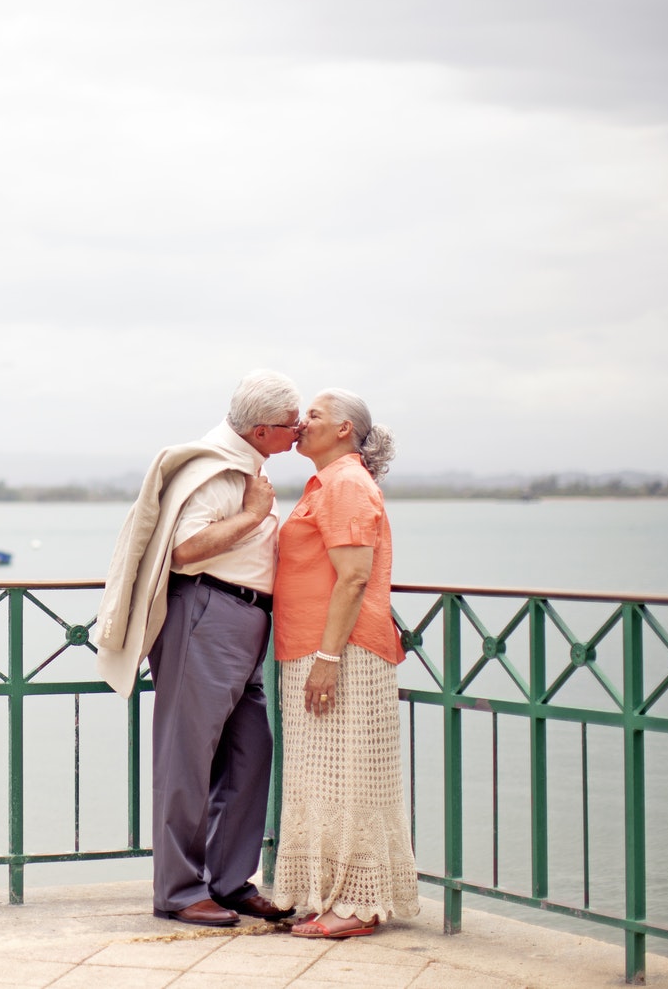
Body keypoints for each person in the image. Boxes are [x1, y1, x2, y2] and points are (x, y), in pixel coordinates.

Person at [96, 369, 302, 927]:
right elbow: (185, 551)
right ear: (261, 430)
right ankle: (181, 892)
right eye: (290, 424)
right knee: (186, 757)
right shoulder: (217, 473)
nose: (299, 430)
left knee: (249, 752)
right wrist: (254, 516)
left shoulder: (245, 465)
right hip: (206, 613)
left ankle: (231, 880)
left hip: (242, 620)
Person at [270, 388, 420, 938]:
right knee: (322, 782)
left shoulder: (348, 484)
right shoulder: (328, 483)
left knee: (351, 779)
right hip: (313, 651)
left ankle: (357, 907)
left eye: (314, 414)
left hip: (344, 655)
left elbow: (354, 577)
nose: (300, 422)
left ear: (343, 430)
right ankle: (333, 895)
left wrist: (328, 658)